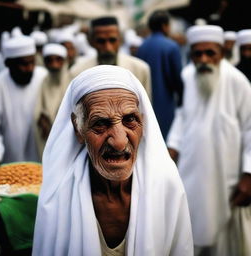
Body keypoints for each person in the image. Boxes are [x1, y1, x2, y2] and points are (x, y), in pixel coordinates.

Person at [32, 65, 193, 256]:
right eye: (100, 123)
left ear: (143, 122)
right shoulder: (58, 193)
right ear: (78, 128)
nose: (119, 142)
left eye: (129, 120)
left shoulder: (167, 184)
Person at [167, 25, 251, 256]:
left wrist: (249, 173)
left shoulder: (238, 81)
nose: (203, 59)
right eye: (197, 53)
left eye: (209, 53)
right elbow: (182, 116)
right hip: (192, 170)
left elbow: (250, 128)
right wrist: (171, 147)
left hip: (226, 175)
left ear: (221, 53)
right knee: (190, 225)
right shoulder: (187, 76)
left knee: (224, 237)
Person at [0, 35, 47, 168]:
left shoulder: (43, 77)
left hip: (42, 157)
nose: (29, 68)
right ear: (8, 64)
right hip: (9, 159)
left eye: (32, 62)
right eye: (24, 64)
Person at [70, 16, 152, 100]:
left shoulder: (140, 70)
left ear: (120, 40)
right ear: (91, 42)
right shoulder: (78, 72)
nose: (108, 48)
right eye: (101, 41)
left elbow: (145, 109)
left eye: (112, 40)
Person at [137, 10, 184, 140]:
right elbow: (177, 80)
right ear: (164, 25)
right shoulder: (171, 46)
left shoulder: (142, 46)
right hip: (166, 104)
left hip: (145, 103)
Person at [34, 43, 72, 160]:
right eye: (49, 60)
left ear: (65, 61)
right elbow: (38, 111)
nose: (54, 65)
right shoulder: (44, 82)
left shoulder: (73, 81)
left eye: (58, 60)